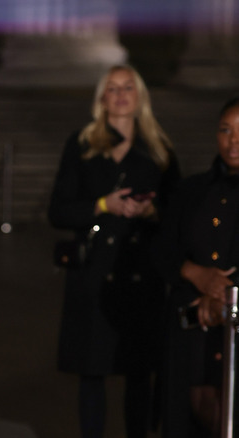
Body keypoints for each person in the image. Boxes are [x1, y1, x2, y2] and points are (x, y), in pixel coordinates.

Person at [48, 64, 180, 438]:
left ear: (140, 96)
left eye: (128, 88)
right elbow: (58, 210)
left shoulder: (159, 149)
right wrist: (104, 205)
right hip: (94, 274)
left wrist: (151, 210)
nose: (121, 96)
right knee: (92, 374)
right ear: (102, 98)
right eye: (112, 89)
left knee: (140, 374)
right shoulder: (82, 145)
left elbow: (178, 214)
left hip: (141, 275)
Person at [153, 97, 239, 438]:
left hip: (232, 329)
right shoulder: (191, 190)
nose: (233, 141)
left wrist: (224, 296)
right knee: (184, 418)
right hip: (189, 330)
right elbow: (160, 249)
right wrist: (194, 274)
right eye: (226, 130)